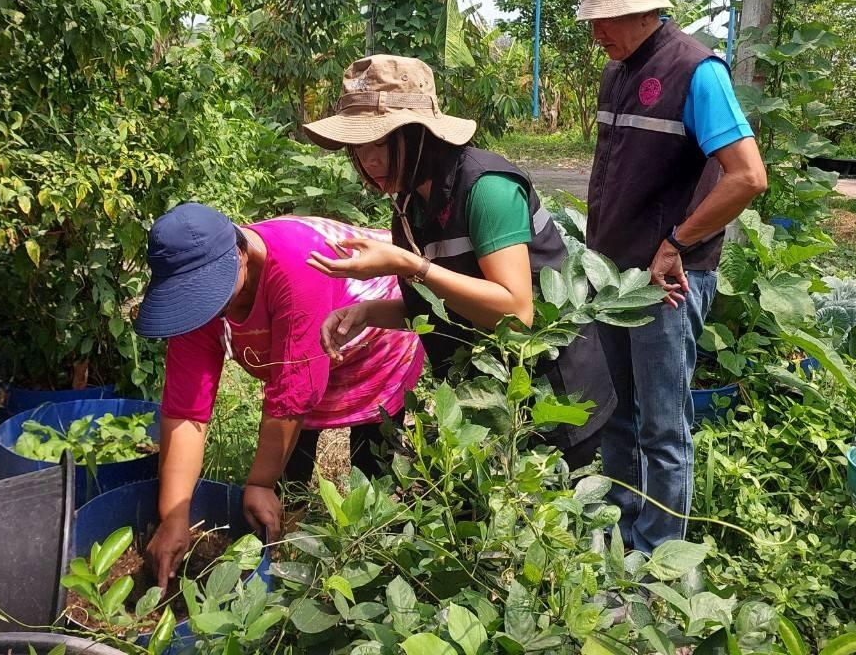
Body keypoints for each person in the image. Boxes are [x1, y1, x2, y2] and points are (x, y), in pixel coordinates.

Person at [303, 54, 614, 468]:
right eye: (357, 147)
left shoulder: (487, 189)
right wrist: (365, 313)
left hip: (553, 400)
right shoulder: (411, 200)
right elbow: (447, 302)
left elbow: (516, 312)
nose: (369, 160)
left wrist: (409, 265)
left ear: (419, 136)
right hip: (491, 402)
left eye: (380, 142)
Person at [577, 0, 767, 554]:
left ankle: (659, 564)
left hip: (666, 279)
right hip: (611, 274)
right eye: (593, 18)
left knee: (662, 426)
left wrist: (676, 244)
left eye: (610, 17)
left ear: (646, 11)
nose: (598, 30)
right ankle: (620, 542)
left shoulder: (697, 70)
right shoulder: (617, 70)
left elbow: (746, 177)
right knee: (616, 415)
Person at [133, 202, 424, 589]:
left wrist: (259, 483)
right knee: (290, 469)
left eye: (209, 295)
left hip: (375, 335)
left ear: (240, 255)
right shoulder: (195, 288)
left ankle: (379, 563)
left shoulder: (295, 266)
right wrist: (174, 515)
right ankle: (290, 545)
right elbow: (187, 411)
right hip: (308, 345)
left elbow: (293, 395)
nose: (206, 308)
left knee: (371, 464)